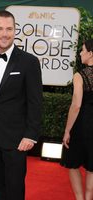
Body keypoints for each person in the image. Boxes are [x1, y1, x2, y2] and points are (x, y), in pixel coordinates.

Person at [0, 10, 43, 200]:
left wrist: (31, 135)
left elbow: (35, 101)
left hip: (16, 140)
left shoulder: (29, 62)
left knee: (14, 190)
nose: (4, 33)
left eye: (9, 29)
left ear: (15, 31)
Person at [60, 39, 93, 200]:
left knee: (72, 163)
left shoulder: (80, 76)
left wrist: (67, 130)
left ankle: (80, 199)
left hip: (83, 125)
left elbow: (76, 105)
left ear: (90, 54)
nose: (80, 53)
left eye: (82, 50)